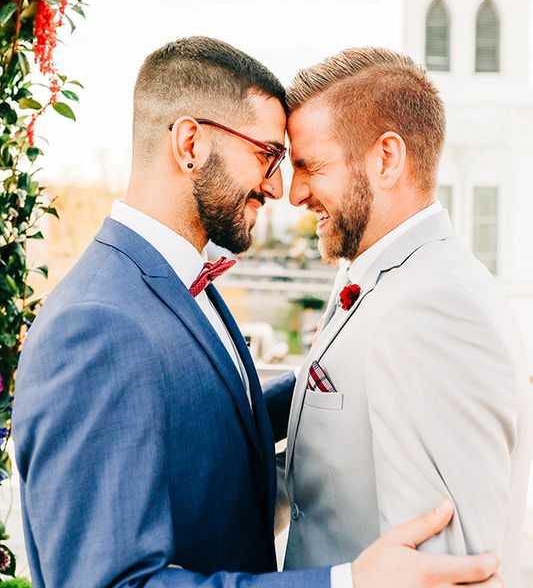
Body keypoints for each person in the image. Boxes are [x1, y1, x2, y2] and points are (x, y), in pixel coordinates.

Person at [13, 38, 502, 588]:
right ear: (190, 144)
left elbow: (208, 414)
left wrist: (334, 371)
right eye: (268, 155)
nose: (278, 187)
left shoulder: (178, 282)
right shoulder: (100, 324)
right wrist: (345, 583)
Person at [283, 45, 532, 588]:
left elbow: (448, 571)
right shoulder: (374, 272)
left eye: (311, 166)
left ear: (386, 159)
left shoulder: (432, 305)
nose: (294, 192)